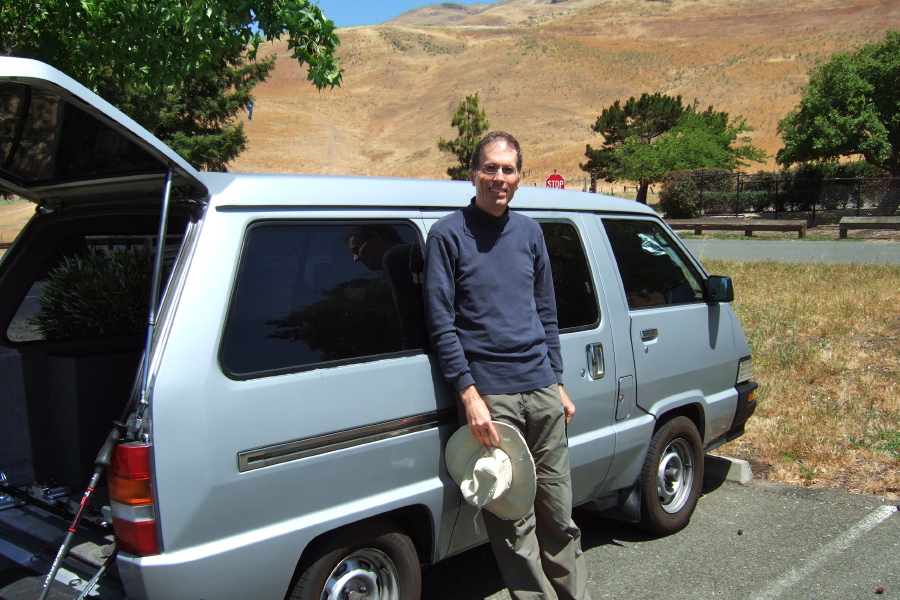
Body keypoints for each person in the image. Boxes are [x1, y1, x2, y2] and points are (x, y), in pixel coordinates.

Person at [423, 131, 590, 600]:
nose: (500, 178)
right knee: (513, 523)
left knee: (559, 513)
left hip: (540, 387)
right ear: (473, 173)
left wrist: (556, 381)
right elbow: (441, 323)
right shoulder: (448, 235)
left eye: (509, 169)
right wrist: (468, 394)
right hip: (491, 397)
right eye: (490, 168)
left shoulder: (530, 233)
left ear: (520, 176)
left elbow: (547, 311)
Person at [346, 224, 425, 350]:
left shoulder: (395, 258)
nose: (356, 258)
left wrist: (408, 352)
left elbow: (409, 321)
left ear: (377, 239)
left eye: (357, 250)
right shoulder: (414, 254)